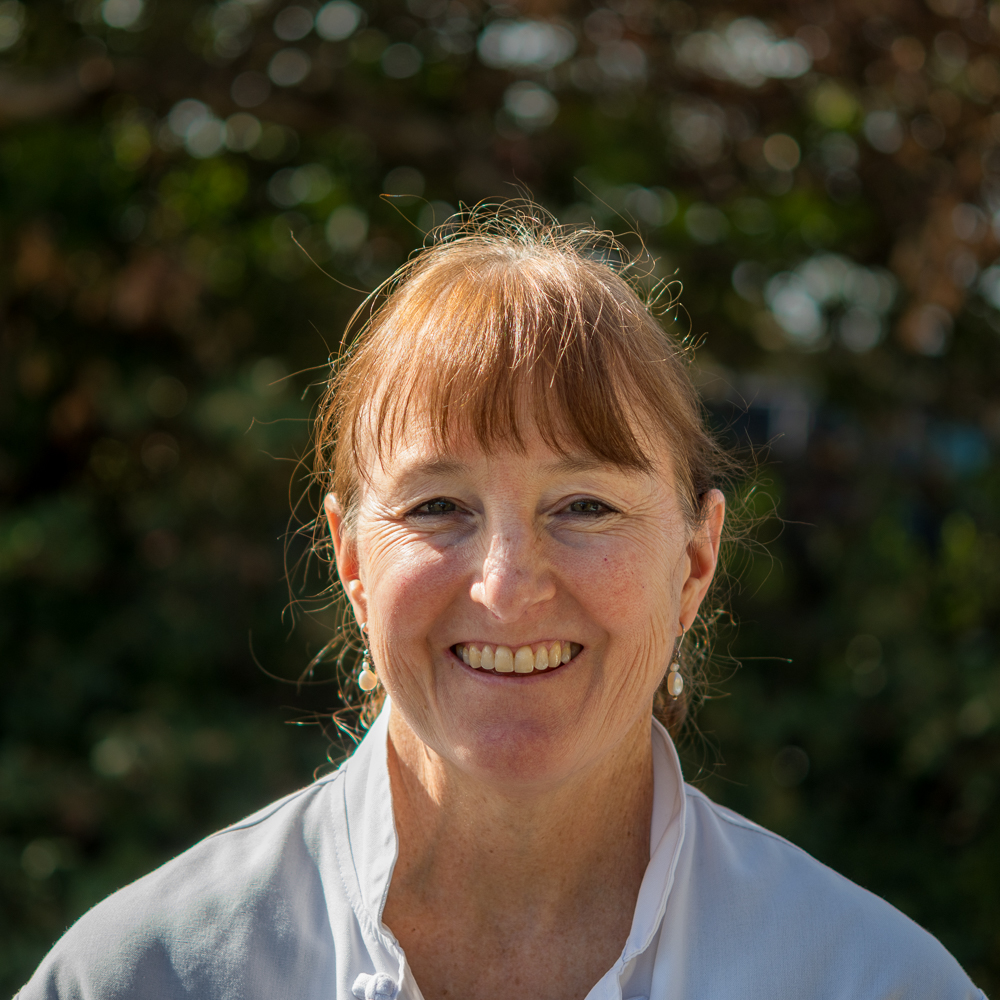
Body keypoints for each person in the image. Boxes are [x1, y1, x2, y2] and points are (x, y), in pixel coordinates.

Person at [18, 208, 985, 1000]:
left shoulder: (869, 982)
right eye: (439, 506)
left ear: (695, 560)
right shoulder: (142, 978)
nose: (508, 585)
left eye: (585, 506)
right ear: (353, 563)